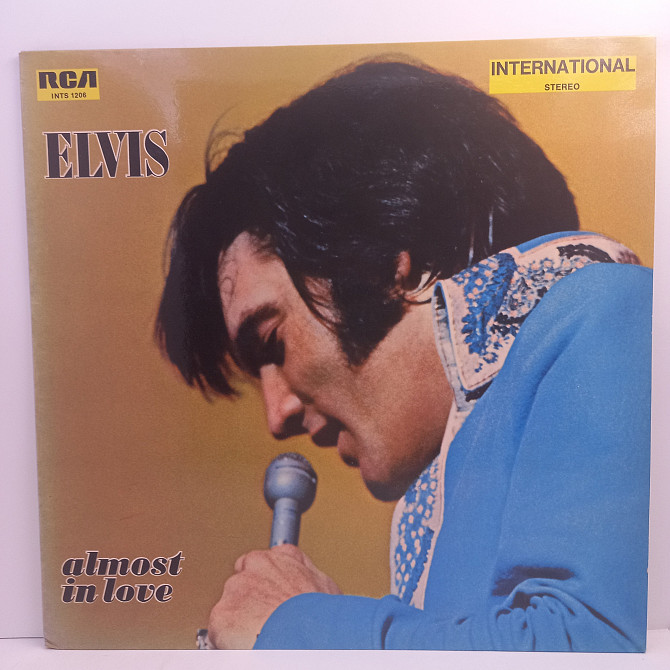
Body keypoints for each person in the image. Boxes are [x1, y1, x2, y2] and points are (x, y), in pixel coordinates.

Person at [155, 60, 651, 651]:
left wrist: (294, 629)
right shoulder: (446, 488)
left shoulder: (613, 308)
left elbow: (595, 646)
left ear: (386, 259)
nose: (276, 413)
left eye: (272, 342)